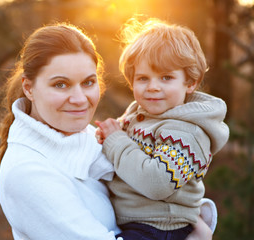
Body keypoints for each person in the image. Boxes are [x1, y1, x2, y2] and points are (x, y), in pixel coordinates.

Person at [0, 22, 216, 240]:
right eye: (61, 84)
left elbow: (156, 180)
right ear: (29, 88)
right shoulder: (28, 172)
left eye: (88, 82)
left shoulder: (85, 136)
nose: (79, 99)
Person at [95, 18, 230, 240]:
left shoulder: (188, 132)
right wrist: (108, 135)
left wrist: (116, 140)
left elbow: (157, 182)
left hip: (160, 227)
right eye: (143, 78)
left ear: (190, 83)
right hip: (134, 222)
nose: (153, 87)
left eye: (166, 77)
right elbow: (125, 146)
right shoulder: (140, 113)